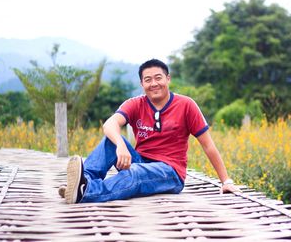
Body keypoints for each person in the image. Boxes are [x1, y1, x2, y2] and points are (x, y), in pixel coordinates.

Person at [63, 58, 240, 204]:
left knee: (135, 174)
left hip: (170, 172)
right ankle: (82, 181)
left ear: (168, 79)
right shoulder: (135, 103)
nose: (154, 84)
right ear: (142, 84)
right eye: (148, 80)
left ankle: (87, 192)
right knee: (111, 140)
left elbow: (208, 146)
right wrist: (120, 145)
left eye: (158, 78)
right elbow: (110, 124)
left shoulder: (186, 105)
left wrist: (226, 181)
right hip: (140, 161)